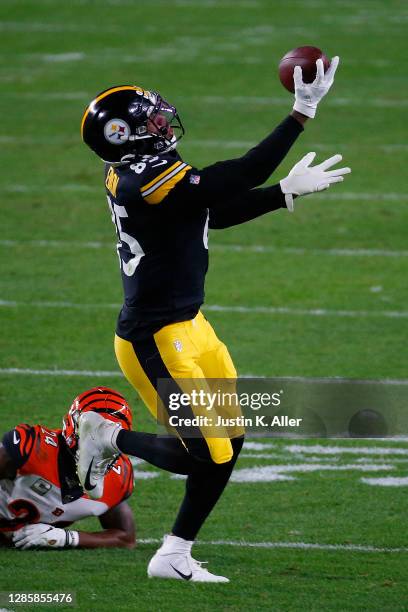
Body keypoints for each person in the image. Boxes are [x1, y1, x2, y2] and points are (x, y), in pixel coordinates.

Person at [78, 57, 351, 581]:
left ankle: (174, 553)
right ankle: (105, 436)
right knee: (200, 454)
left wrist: (283, 194)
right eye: (149, 118)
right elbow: (235, 176)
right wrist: (301, 112)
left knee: (231, 437)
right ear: (123, 135)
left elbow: (210, 210)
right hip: (153, 337)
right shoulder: (140, 177)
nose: (162, 120)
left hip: (190, 326)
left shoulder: (146, 172)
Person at [0, 387, 135, 550]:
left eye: (111, 438)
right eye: (95, 437)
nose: (101, 448)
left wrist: (66, 538)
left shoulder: (117, 477)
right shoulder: (32, 449)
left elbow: (125, 538)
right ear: (75, 429)